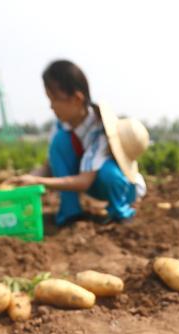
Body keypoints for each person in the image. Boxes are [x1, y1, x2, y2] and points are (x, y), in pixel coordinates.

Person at [8, 60, 149, 226]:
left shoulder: (100, 131)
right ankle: (71, 213)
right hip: (86, 180)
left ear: (76, 99)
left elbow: (84, 181)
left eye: (54, 99)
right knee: (60, 141)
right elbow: (49, 166)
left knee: (108, 172)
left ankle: (121, 213)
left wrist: (39, 182)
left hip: (117, 185)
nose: (51, 107)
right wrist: (26, 180)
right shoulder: (61, 126)